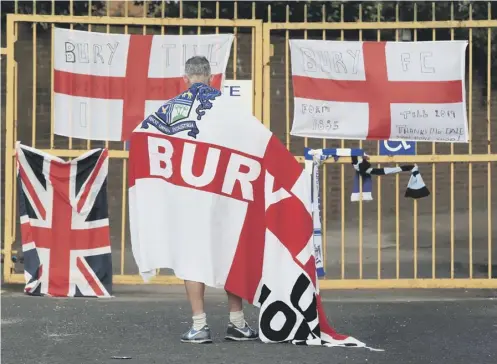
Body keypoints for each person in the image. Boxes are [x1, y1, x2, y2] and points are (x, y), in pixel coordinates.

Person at [172, 56, 259, 344]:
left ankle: (199, 325)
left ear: (186, 78)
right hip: (225, 192)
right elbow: (251, 142)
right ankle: (237, 322)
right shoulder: (228, 107)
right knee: (229, 254)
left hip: (191, 193)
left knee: (192, 257)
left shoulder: (174, 110)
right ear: (211, 77)